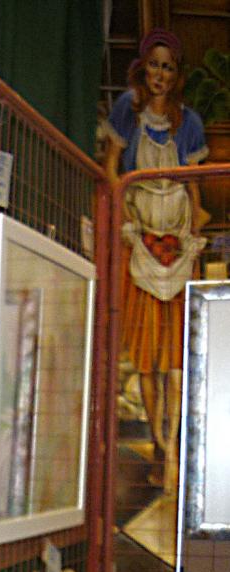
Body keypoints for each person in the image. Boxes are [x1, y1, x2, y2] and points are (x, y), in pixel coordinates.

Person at [104, 28, 210, 492]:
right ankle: (159, 441)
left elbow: (194, 183)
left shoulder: (190, 122)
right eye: (154, 65)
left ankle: (177, 441)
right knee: (147, 357)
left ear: (176, 73)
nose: (160, 74)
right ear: (143, 67)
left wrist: (194, 235)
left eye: (168, 67)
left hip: (177, 244)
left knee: (176, 357)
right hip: (141, 241)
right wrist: (125, 213)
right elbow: (112, 166)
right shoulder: (126, 111)